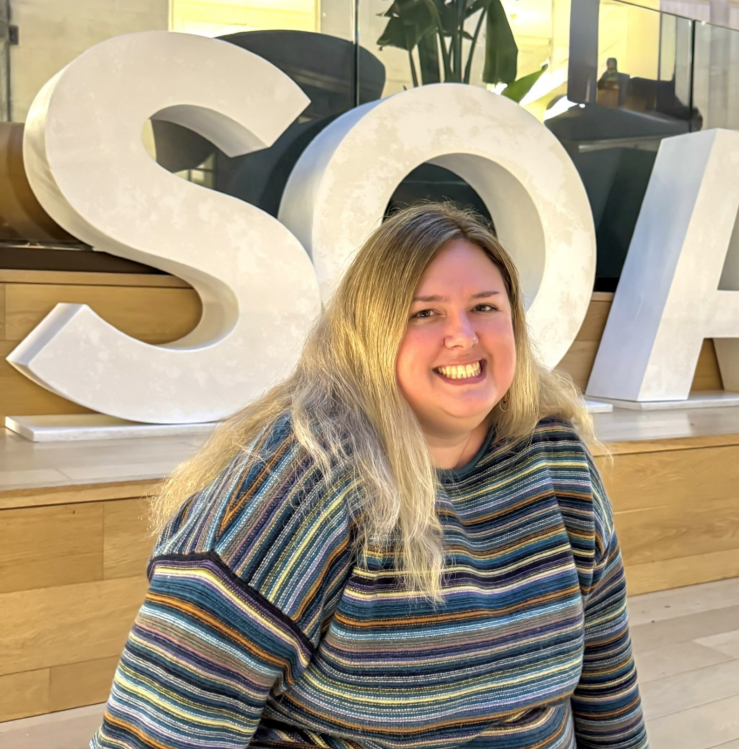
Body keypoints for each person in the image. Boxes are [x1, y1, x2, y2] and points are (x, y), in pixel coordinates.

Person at [89, 203, 648, 749]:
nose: (463, 336)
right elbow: (162, 728)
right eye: (424, 313)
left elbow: (605, 668)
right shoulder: (297, 482)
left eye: (484, 307)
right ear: (368, 336)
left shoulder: (554, 454)